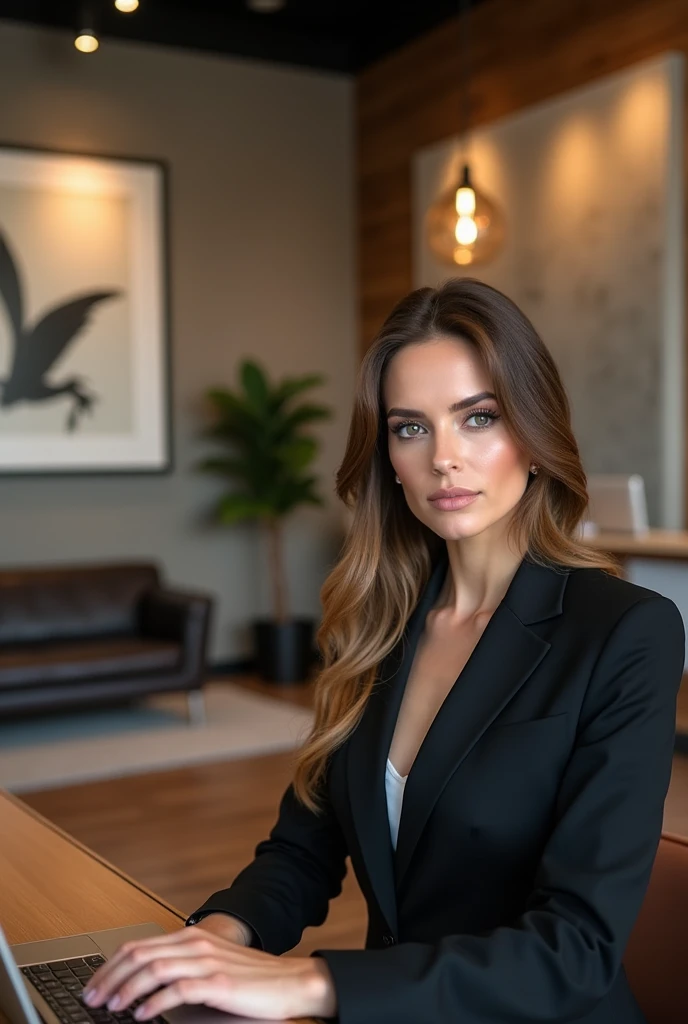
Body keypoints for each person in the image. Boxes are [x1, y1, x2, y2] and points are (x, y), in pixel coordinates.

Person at [82, 278, 685, 1023]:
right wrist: (207, 947)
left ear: (533, 434)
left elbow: (576, 950)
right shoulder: (378, 623)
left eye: (479, 418)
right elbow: (304, 850)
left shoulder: (627, 631)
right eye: (410, 428)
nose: (444, 459)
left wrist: (310, 983)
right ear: (388, 461)